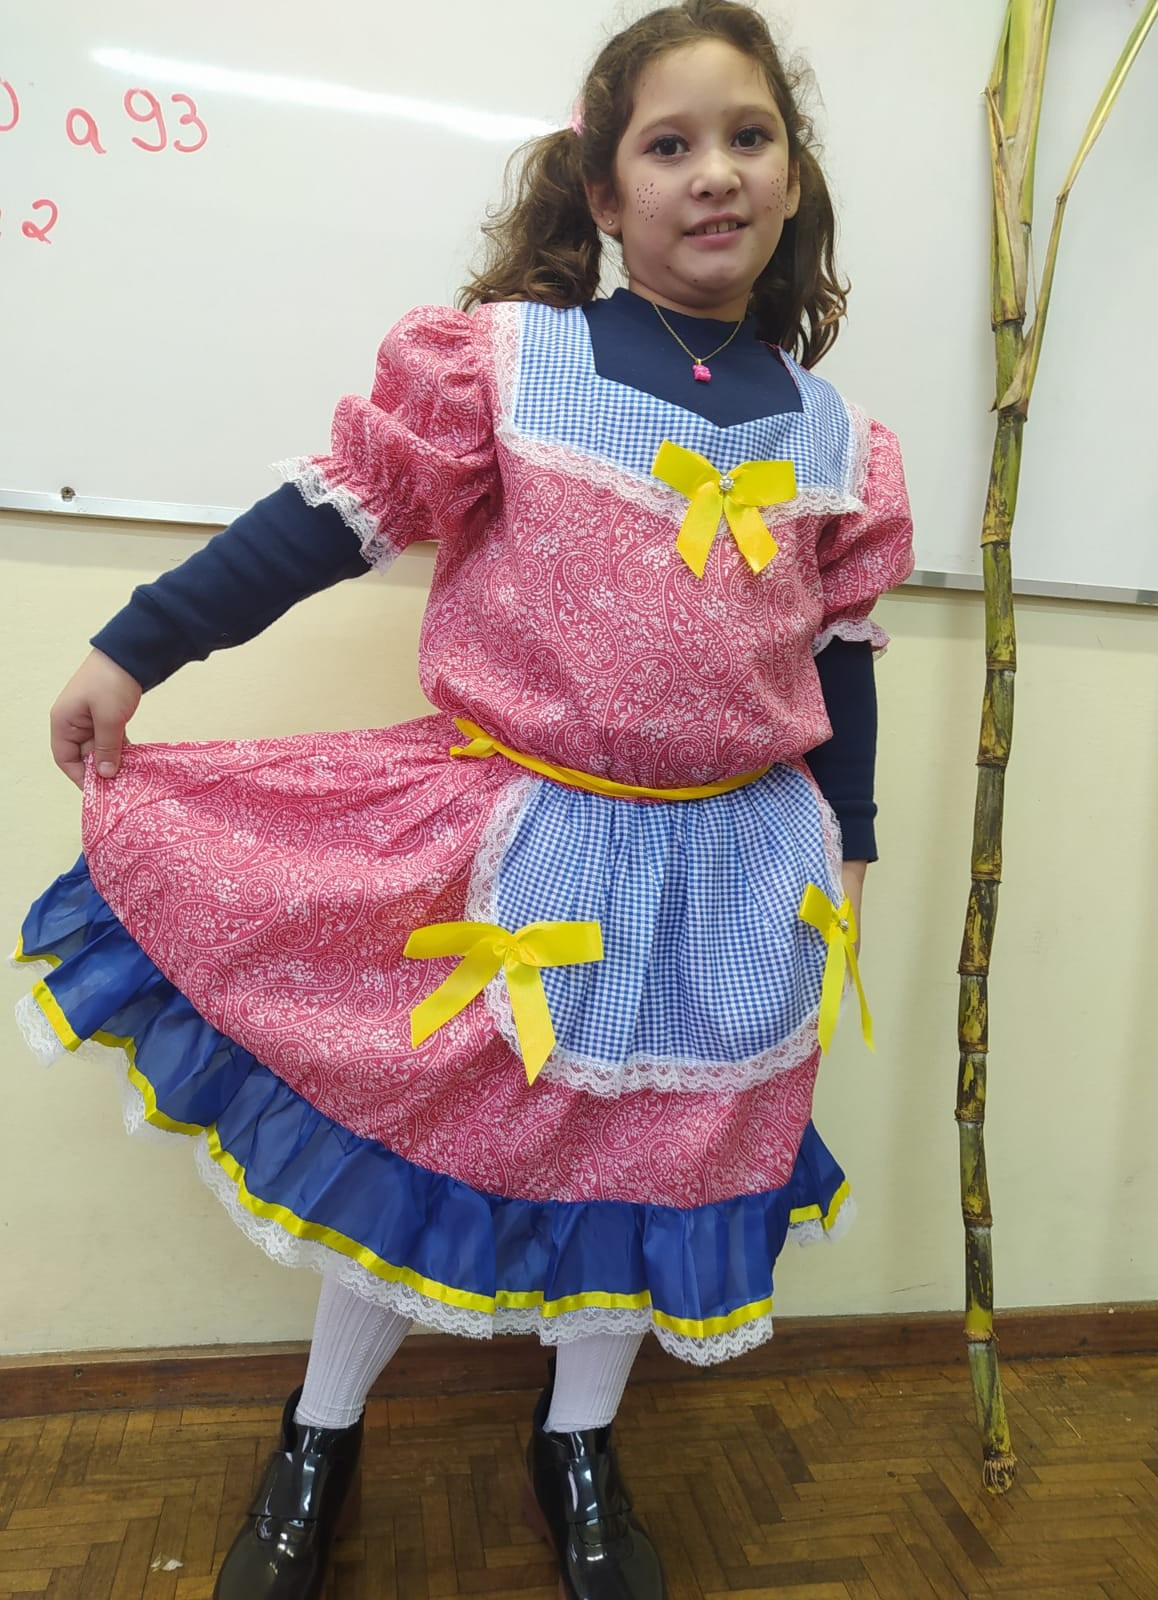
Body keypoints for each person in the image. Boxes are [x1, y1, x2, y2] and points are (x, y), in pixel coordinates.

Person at [14, 2, 914, 1596]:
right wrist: (138, 646)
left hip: (732, 872)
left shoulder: (840, 439)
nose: (714, 172)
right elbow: (330, 520)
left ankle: (579, 1444)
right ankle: (320, 1430)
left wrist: (847, 841)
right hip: (523, 844)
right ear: (604, 187)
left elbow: (839, 661)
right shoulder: (506, 365)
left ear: (792, 175)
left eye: (749, 137)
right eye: (670, 144)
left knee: (655, 1160)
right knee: (426, 1126)